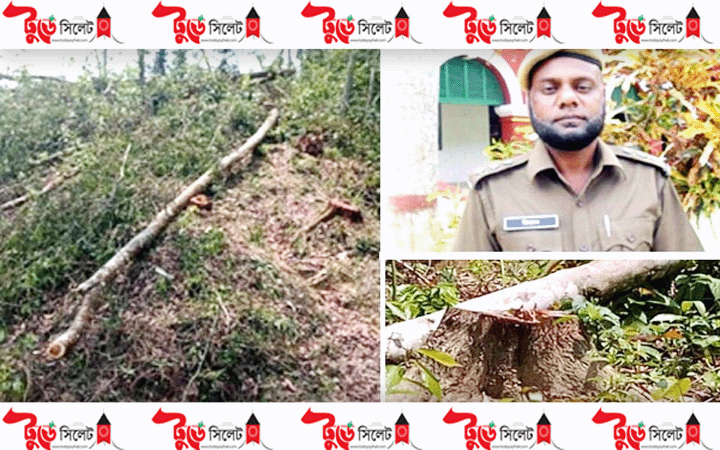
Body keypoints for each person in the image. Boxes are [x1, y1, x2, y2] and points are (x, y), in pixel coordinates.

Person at [452, 49, 704, 252]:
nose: (567, 99)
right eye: (550, 89)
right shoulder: (492, 192)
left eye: (582, 87)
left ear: (604, 96)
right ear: (530, 101)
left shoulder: (649, 180)